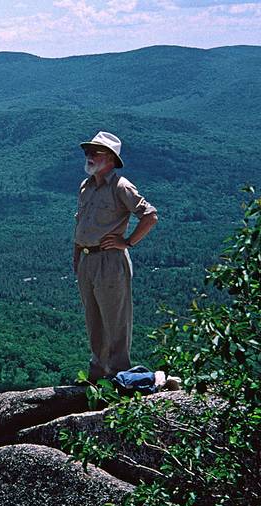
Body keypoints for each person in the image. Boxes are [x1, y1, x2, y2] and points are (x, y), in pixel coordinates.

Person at [73, 131, 158, 381]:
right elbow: (80, 223)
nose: (88, 156)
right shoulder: (85, 186)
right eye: (87, 151)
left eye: (94, 152)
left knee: (115, 321)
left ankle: (120, 378)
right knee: (94, 320)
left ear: (110, 158)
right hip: (87, 260)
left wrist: (128, 242)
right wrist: (77, 255)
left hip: (110, 261)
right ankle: (98, 375)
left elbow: (150, 216)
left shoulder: (121, 186)